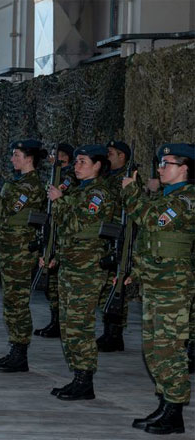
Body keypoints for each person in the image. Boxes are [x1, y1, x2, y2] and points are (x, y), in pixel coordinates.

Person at [124, 143, 194, 435]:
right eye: (160, 164)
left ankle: (174, 411)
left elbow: (151, 220)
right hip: (155, 284)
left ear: (185, 168)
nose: (161, 168)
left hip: (173, 287)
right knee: (153, 349)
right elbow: (149, 241)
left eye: (168, 163)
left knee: (170, 350)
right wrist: (136, 272)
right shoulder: (166, 197)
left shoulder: (187, 200)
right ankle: (165, 402)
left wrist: (130, 192)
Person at [46, 144, 118, 400]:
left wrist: (59, 202)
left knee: (80, 324)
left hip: (87, 267)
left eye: (83, 161)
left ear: (98, 165)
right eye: (76, 161)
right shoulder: (80, 190)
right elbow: (64, 229)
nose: (76, 166)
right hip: (71, 264)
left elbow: (79, 223)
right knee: (69, 324)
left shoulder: (99, 194)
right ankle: (77, 375)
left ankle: (85, 379)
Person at [0, 140, 47, 372]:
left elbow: (5, 209)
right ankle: (15, 349)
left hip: (19, 252)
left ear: (29, 158)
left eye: (16, 155)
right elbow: (4, 219)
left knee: (17, 303)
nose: (12, 159)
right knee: (10, 302)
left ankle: (20, 353)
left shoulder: (31, 185)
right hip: (8, 249)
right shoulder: (18, 182)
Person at [34, 142, 76, 338]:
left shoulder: (67, 178)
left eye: (54, 155)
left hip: (61, 230)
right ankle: (54, 320)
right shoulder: (56, 175)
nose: (51, 158)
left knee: (56, 281)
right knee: (50, 282)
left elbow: (61, 196)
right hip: (52, 226)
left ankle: (59, 322)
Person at [96, 139, 133, 352]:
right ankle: (108, 330)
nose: (107, 157)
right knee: (108, 284)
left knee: (118, 284)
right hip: (107, 236)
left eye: (111, 153)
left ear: (122, 156)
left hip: (120, 235)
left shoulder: (127, 180)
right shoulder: (107, 178)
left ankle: (115, 333)